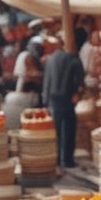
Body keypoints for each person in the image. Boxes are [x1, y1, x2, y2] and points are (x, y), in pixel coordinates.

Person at [41, 34, 84, 171]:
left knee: (57, 130)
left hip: (53, 99)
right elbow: (79, 78)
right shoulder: (72, 58)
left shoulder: (50, 60)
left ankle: (59, 159)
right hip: (67, 97)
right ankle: (68, 160)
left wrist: (45, 100)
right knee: (69, 128)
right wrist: (78, 92)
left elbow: (46, 81)